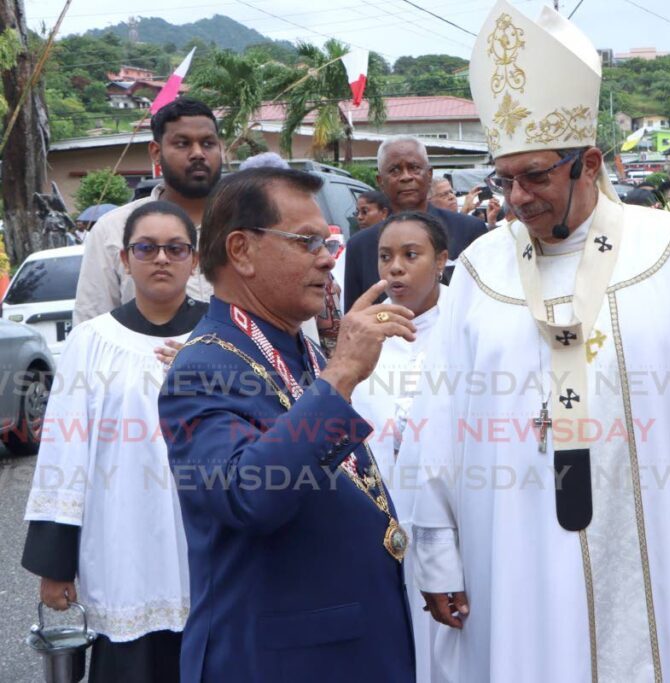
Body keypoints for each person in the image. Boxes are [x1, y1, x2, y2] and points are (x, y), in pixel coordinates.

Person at [399, 3, 670, 681]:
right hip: (511, 549)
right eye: (505, 178)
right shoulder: (483, 269)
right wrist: (436, 553)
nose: (518, 197)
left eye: (537, 175)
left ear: (590, 162)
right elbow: (436, 420)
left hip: (657, 543)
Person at [159, 167, 417, 682]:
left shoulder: (292, 347)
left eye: (329, 241)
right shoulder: (203, 367)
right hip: (280, 659)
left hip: (344, 646)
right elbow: (247, 495)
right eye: (307, 241)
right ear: (241, 251)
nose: (328, 257)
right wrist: (341, 375)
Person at [23, 201, 207, 683]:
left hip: (209, 536)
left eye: (175, 248)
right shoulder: (91, 341)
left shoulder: (224, 335)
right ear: (124, 260)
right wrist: (55, 563)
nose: (161, 259)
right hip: (122, 540)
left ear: (196, 259)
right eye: (146, 248)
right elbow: (64, 450)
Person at [350, 211, 448, 683]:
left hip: (449, 525)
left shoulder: (465, 327)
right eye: (386, 257)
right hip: (380, 528)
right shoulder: (363, 335)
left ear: (442, 261)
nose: (396, 269)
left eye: (412, 255)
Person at [74, 98, 222, 326]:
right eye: (182, 144)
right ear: (156, 152)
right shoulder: (113, 230)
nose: (198, 153)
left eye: (208, 143)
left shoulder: (252, 225)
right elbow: (91, 328)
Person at [343, 136, 487, 311]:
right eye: (395, 170)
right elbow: (355, 318)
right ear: (380, 181)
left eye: (414, 168)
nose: (406, 177)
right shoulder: (360, 246)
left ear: (429, 175)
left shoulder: (469, 230)